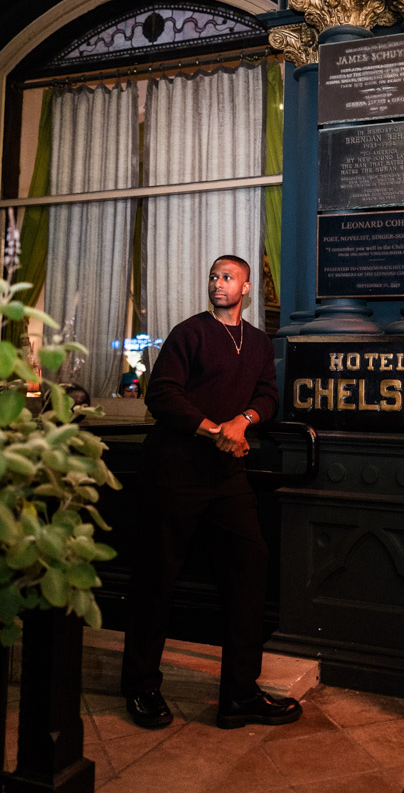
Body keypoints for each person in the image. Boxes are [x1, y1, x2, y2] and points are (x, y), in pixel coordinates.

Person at [120, 255, 301, 731]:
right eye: (213, 277)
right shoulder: (190, 332)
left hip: (227, 476)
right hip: (174, 472)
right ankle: (141, 687)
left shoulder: (259, 343)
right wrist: (211, 429)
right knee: (156, 580)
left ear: (244, 288)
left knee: (250, 566)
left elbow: (267, 397)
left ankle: (239, 695)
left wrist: (243, 422)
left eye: (226, 278)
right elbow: (161, 394)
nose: (217, 284)